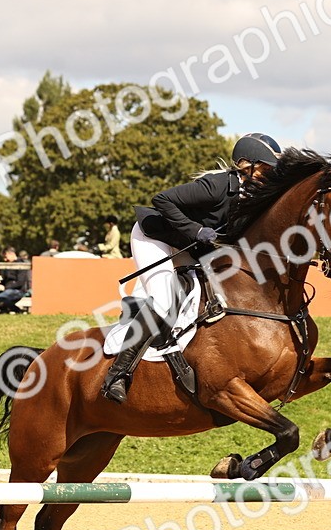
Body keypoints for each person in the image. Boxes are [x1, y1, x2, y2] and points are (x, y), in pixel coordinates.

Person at [102, 132, 282, 403]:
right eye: (265, 169)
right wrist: (196, 230)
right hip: (154, 236)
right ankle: (118, 373)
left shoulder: (251, 196)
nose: (268, 175)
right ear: (247, 164)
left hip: (187, 245)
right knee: (164, 300)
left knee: (205, 297)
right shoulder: (217, 185)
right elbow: (161, 199)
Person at [0, 246, 29, 313]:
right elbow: (5, 279)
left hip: (17, 290)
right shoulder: (7, 265)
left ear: (11, 254)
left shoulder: (21, 265)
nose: (5, 259)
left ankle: (16, 310)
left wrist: (5, 287)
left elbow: (20, 282)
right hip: (6, 289)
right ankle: (5, 310)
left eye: (6, 257)